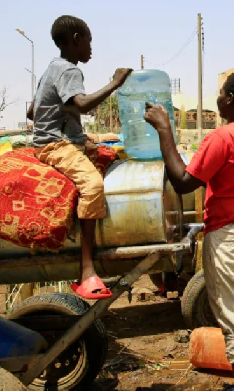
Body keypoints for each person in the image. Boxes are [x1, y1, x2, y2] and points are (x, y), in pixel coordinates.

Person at [144, 71, 234, 391]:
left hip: (232, 237)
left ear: (230, 100)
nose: (217, 98)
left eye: (220, 93)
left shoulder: (222, 137)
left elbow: (184, 181)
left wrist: (165, 130)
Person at [28, 15, 132, 299]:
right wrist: (115, 82)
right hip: (55, 144)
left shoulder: (53, 67)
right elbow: (83, 105)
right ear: (75, 39)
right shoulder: (69, 71)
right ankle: (86, 270)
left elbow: (32, 112)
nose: (90, 47)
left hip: (63, 138)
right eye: (88, 40)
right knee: (93, 185)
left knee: (108, 147)